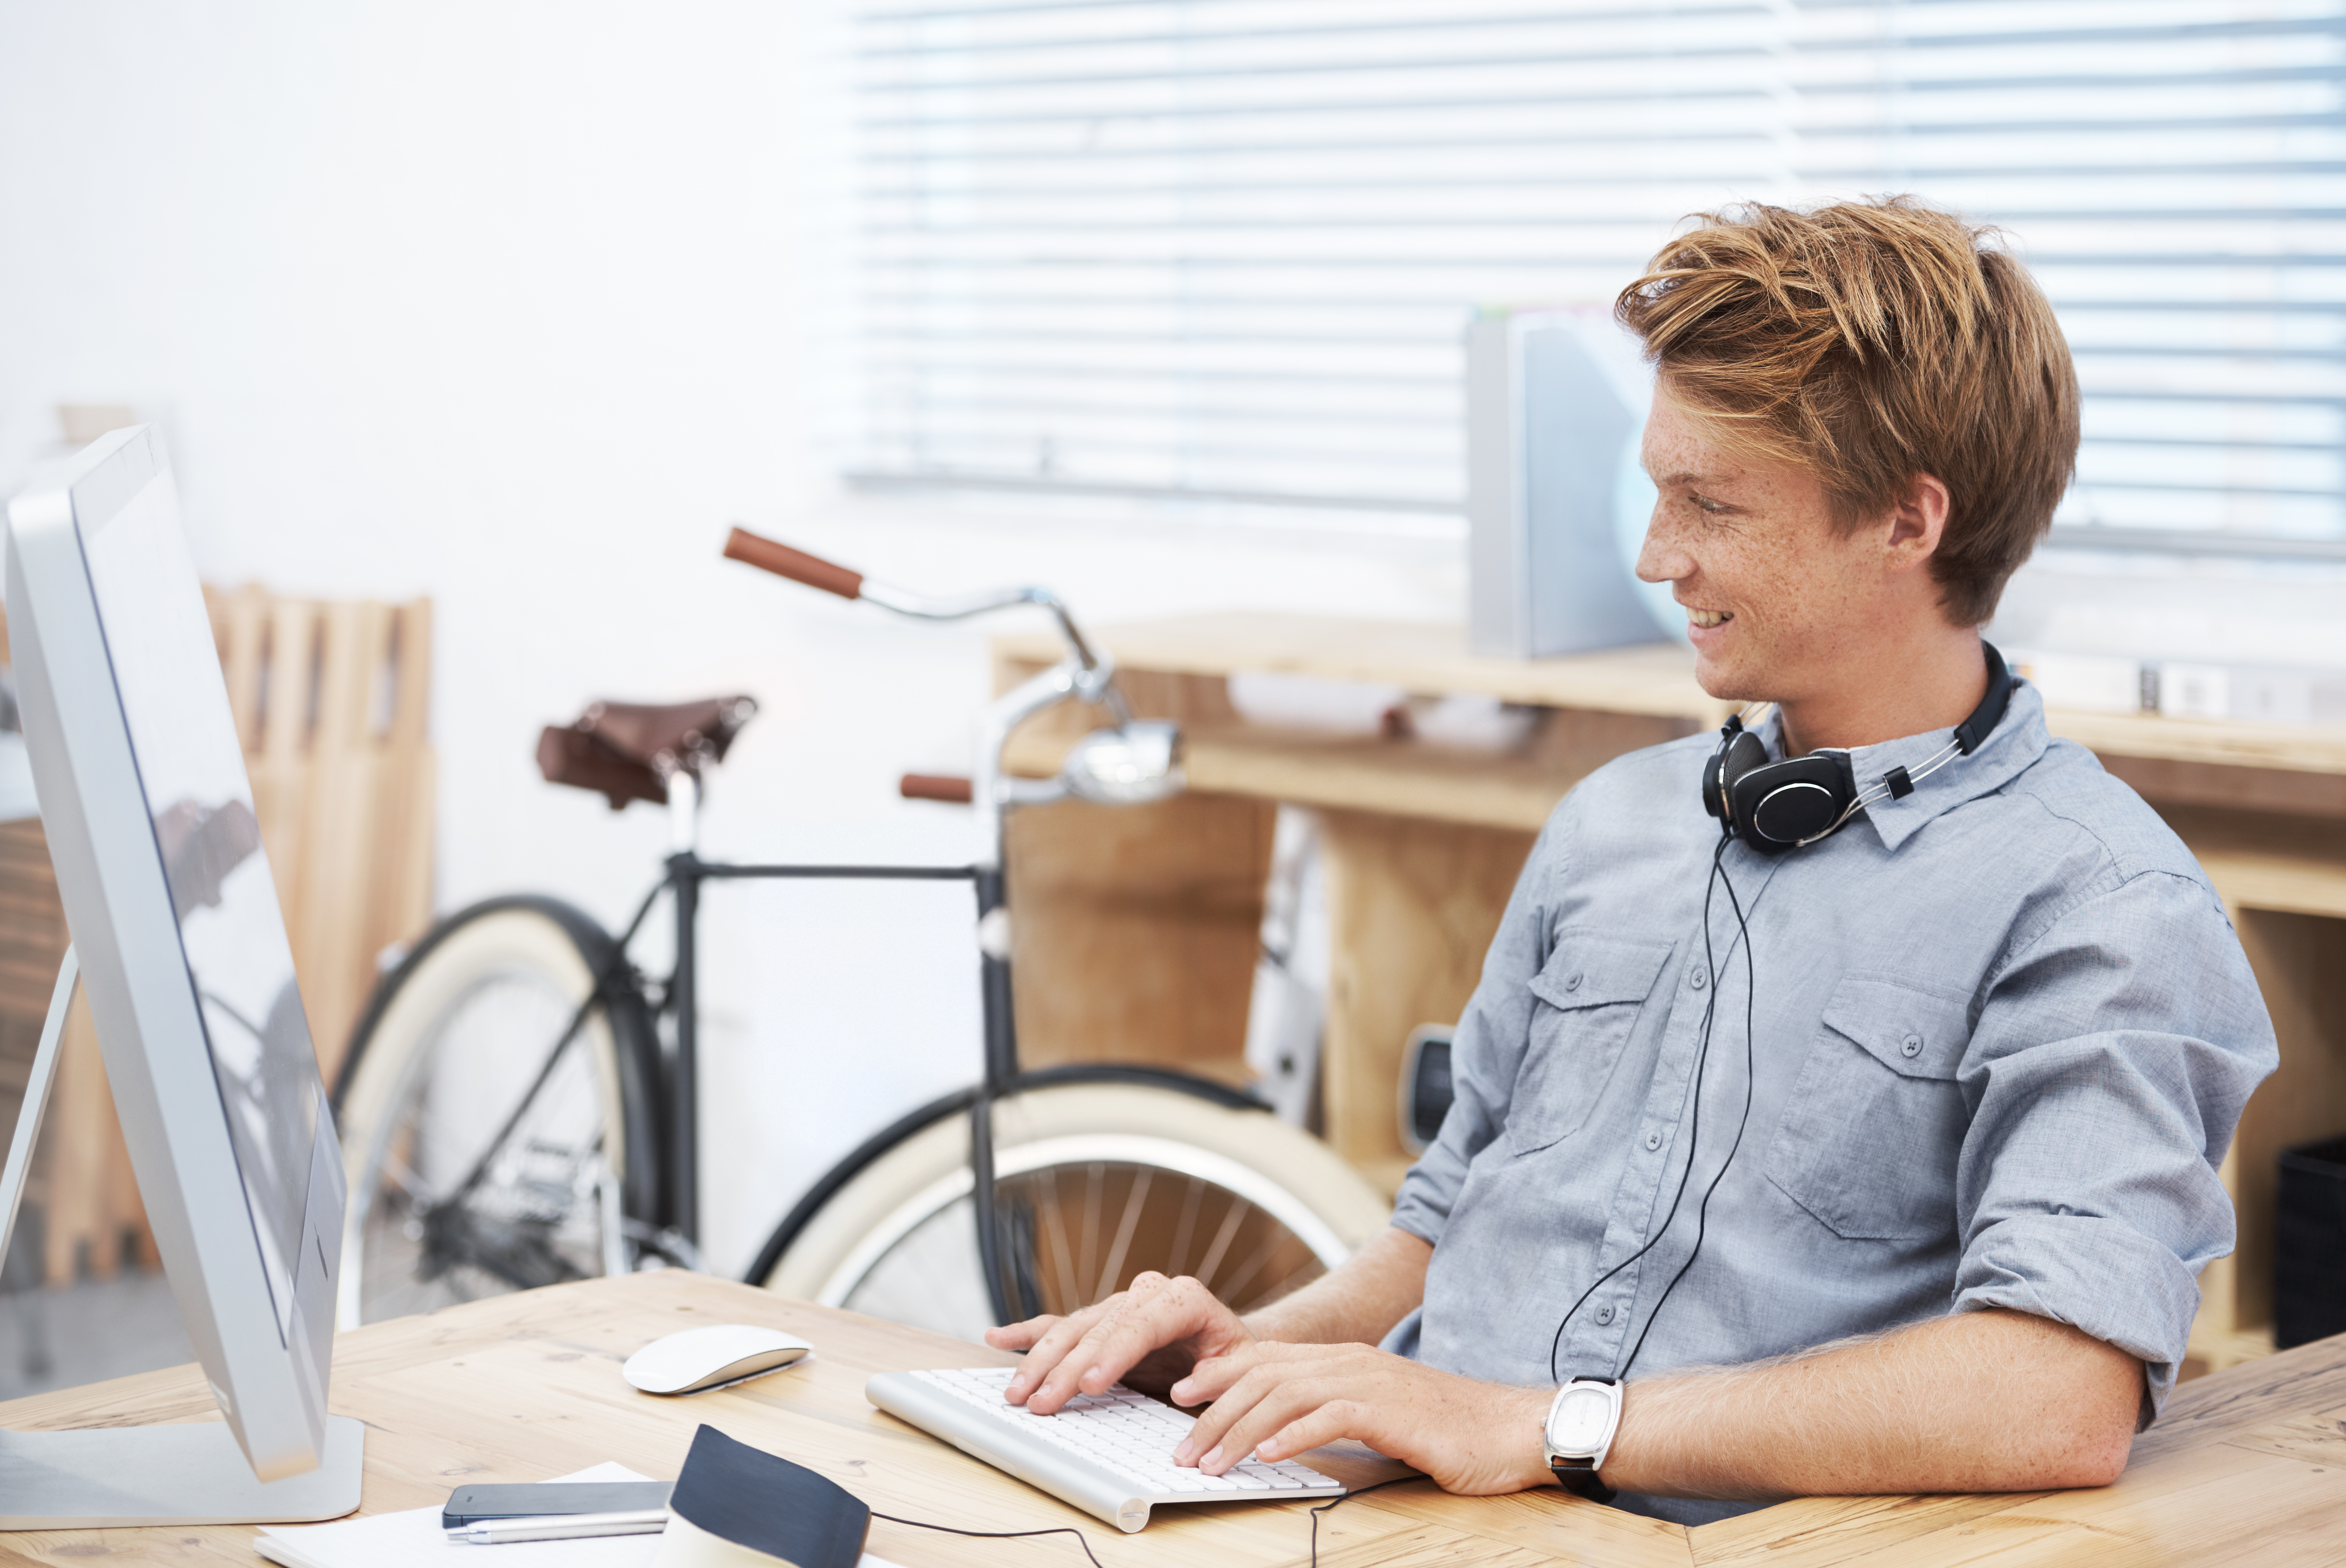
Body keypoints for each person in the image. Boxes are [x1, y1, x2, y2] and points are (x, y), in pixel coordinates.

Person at [984, 197, 2280, 1523]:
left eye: (1708, 503)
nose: (1658, 556)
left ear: (1906, 522)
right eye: (1655, 488)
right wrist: (1248, 1352)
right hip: (1400, 1508)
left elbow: (2051, 1391)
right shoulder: (1615, 818)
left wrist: (1541, 1428)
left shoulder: (2101, 907)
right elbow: (1444, 1225)